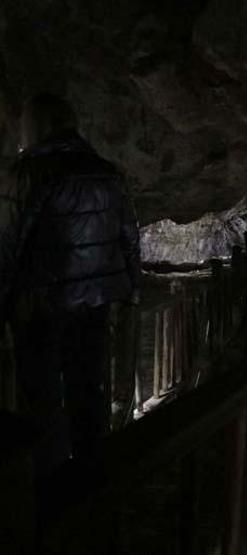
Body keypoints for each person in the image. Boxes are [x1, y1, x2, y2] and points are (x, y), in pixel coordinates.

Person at [0, 93, 141, 471]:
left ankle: (47, 486)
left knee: (41, 396)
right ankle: (91, 475)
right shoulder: (106, 172)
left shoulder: (29, 173)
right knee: (88, 388)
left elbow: (7, 245)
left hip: (41, 304)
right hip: (94, 303)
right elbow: (128, 235)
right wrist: (132, 286)